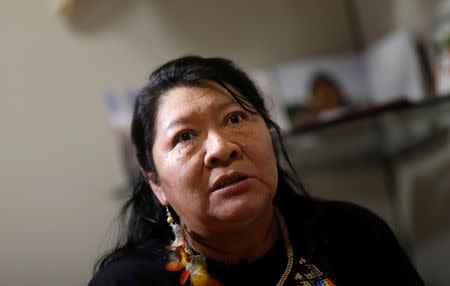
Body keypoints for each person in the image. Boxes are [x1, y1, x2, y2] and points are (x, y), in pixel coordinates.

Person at [88, 56, 424, 286]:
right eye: (185, 136)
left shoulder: (355, 236)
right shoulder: (127, 282)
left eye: (234, 118)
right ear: (155, 183)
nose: (221, 148)